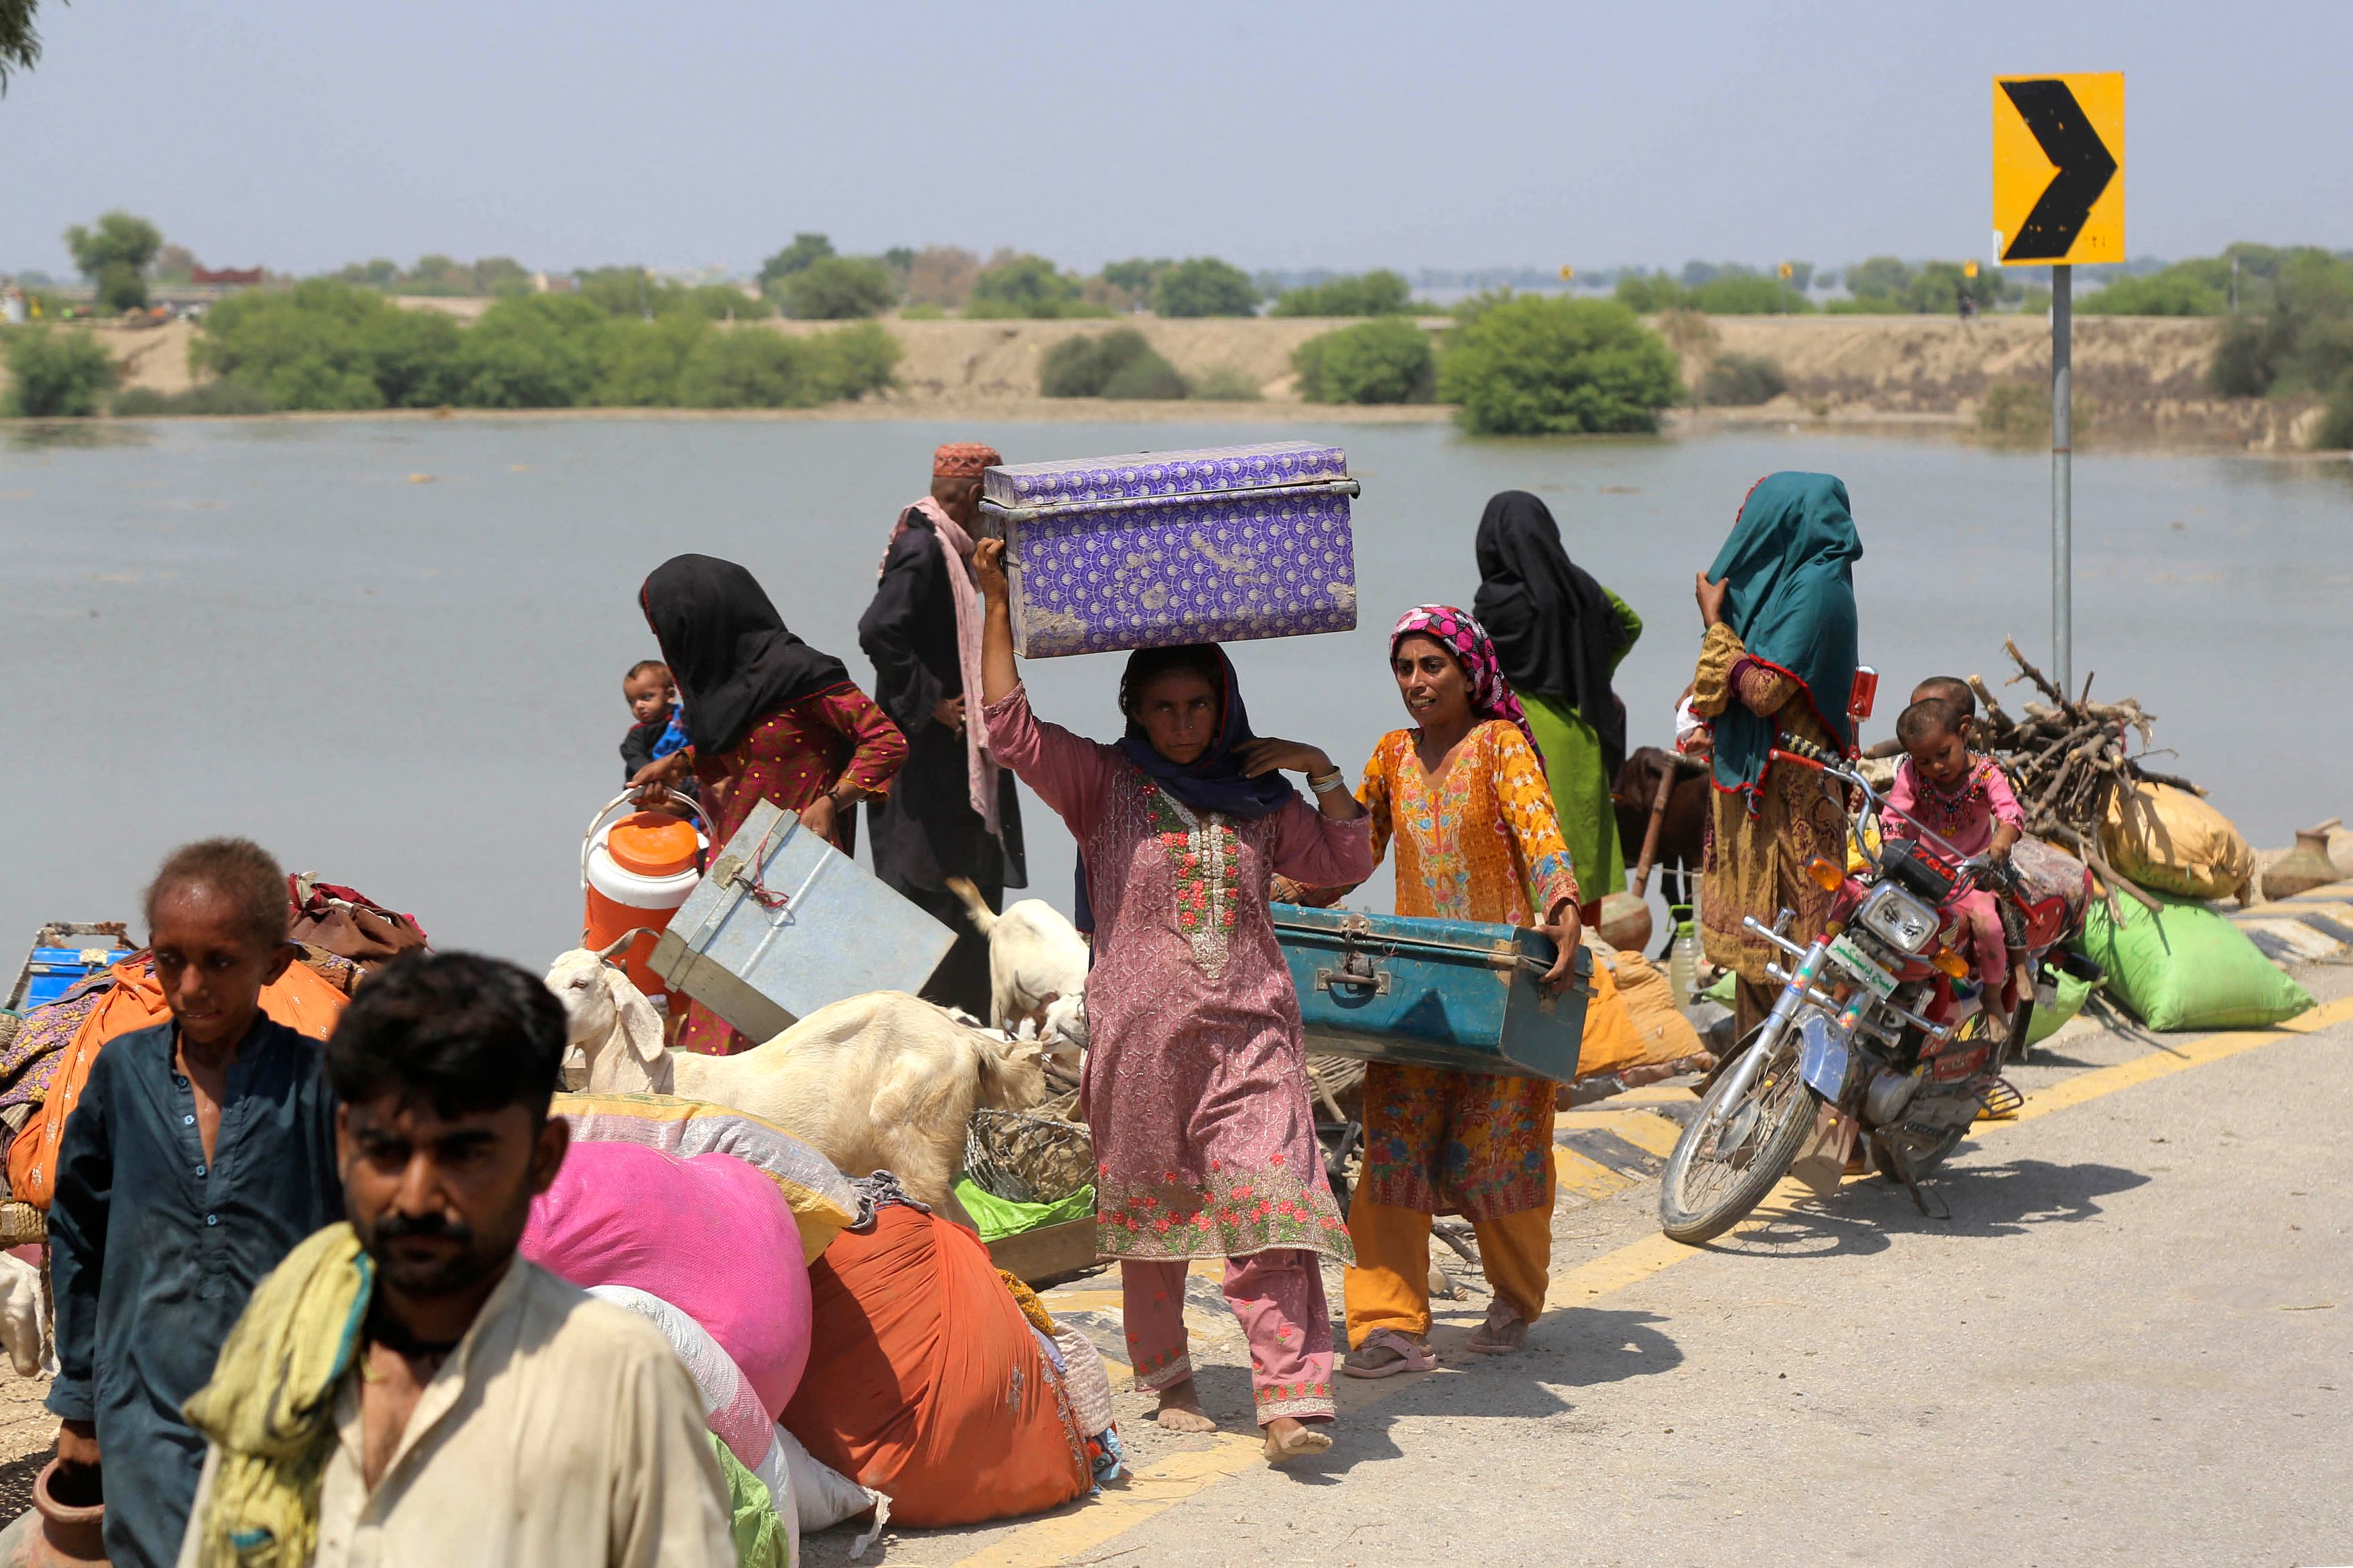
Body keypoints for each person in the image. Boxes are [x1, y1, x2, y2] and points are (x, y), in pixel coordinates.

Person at [971, 535, 1373, 1467]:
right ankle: (1169, 1376)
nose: (1183, 725)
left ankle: (1289, 1394)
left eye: (1198, 705)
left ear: (1224, 702)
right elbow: (1006, 728)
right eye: (1163, 708)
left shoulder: (1260, 795)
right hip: (1140, 1042)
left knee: (1272, 1208)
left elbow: (1345, 862)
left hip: (1253, 1033)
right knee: (1155, 1222)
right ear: (1135, 711)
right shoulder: (1103, 783)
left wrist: (1318, 768)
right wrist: (996, 600)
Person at [177, 950, 734, 1568]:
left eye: (465, 1153)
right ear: (342, 1143)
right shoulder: (282, 1336)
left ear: (543, 1158)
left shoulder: (620, 1379)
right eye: (385, 1149)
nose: (417, 1197)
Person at [46, 839, 344, 1568]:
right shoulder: (123, 1075)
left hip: (285, 1411)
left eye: (219, 962)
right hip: (145, 1404)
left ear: (272, 965)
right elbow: (79, 1231)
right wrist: (79, 1400)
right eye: (171, 959)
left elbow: (357, 1243)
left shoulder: (317, 1082)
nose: (191, 985)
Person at [1318, 607, 1583, 1375]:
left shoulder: (1500, 747)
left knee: (1500, 1146)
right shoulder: (1390, 757)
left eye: (1431, 666)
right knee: (1392, 1145)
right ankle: (1387, 1322)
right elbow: (1350, 854)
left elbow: (1538, 832)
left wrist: (1560, 904)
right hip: (1415, 989)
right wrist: (1282, 890)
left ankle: (1515, 1294)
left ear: (1469, 672)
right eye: (1403, 668)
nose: (1414, 683)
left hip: (1497, 987)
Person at [635, 553, 908, 1053]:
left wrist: (833, 800)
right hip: (730, 877)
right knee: (717, 1039)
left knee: (786, 1041)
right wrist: (681, 763)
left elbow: (885, 742)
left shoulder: (800, 674)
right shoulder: (717, 689)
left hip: (793, 878)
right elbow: (743, 752)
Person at [1689, 472, 1863, 1039]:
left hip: (1793, 800)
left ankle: (1804, 1103)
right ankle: (1753, 1088)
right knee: (1759, 951)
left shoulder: (1816, 589)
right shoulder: (1785, 585)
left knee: (1795, 952)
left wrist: (1714, 624)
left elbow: (1764, 691)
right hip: (1764, 793)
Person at [859, 442, 1028, 1016]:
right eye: (991, 504)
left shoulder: (949, 549)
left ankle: (962, 1025)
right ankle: (924, 1025)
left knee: (962, 892)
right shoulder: (923, 549)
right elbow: (879, 630)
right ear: (974, 497)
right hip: (928, 763)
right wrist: (932, 701)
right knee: (931, 892)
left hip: (951, 765)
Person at [1472, 491, 1642, 926]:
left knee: (1524, 867)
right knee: (1579, 869)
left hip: (1515, 736)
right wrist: (1591, 673)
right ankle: (1586, 976)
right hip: (1580, 739)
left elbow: (1474, 669)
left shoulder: (1493, 601)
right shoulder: (1579, 590)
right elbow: (1628, 623)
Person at [1888, 696, 2026, 1016]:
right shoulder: (1912, 774)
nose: (1936, 766)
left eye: (1943, 754)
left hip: (1971, 880)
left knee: (1989, 925)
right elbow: (1895, 815)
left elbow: (2011, 813)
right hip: (1923, 873)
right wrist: (1893, 849)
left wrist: (2003, 840)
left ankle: (1992, 998)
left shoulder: (1987, 776)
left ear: (1964, 733)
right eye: (1923, 761)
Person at [617, 659, 691, 783]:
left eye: (646, 697)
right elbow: (633, 754)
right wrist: (650, 774)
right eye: (632, 701)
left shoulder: (686, 716)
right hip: (658, 783)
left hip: (692, 775)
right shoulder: (639, 733)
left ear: (670, 695)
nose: (639, 705)